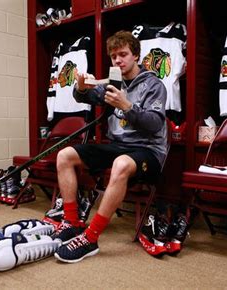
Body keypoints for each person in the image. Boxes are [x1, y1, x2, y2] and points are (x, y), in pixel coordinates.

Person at [51, 30, 168, 263]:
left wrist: (127, 106)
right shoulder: (113, 83)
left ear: (136, 55)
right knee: (65, 155)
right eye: (114, 56)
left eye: (123, 54)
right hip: (118, 146)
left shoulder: (154, 85)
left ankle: (91, 238)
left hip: (149, 150)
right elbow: (83, 97)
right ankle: (72, 222)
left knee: (121, 163)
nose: (118, 60)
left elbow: (155, 124)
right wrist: (81, 88)